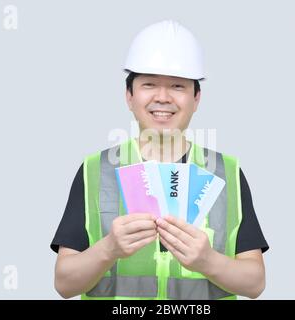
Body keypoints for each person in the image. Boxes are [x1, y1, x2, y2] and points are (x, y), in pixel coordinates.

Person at [51, 20, 269, 300]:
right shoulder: (95, 171)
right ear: (129, 96)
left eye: (177, 86)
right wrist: (109, 249)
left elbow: (255, 284)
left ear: (196, 98)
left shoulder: (226, 172)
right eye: (150, 84)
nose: (163, 97)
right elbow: (64, 284)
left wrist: (207, 261)